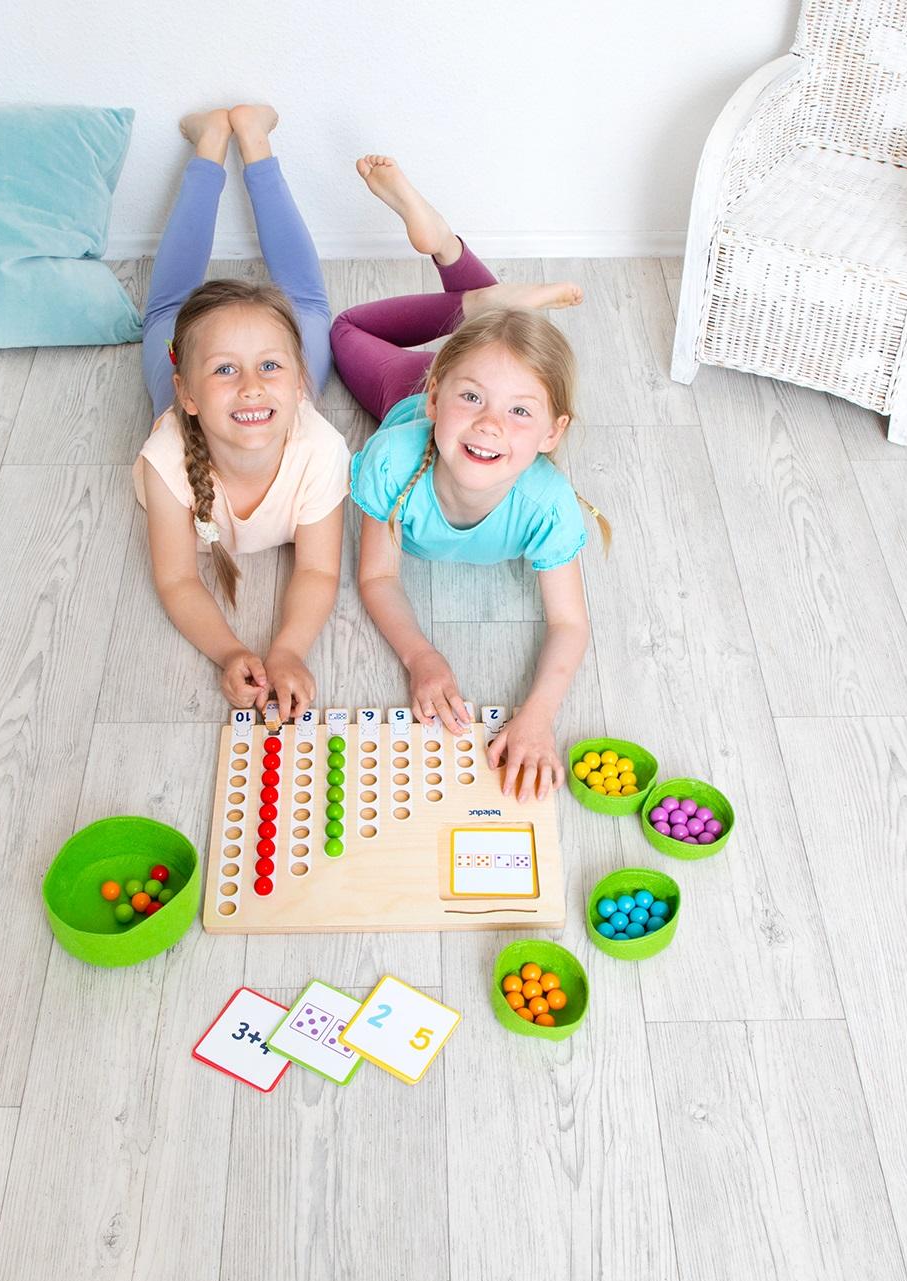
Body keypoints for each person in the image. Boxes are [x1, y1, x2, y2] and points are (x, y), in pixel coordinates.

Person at [331, 156, 607, 801]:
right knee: (343, 329)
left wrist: (537, 715)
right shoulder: (395, 457)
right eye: (472, 400)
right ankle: (473, 288)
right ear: (437, 399)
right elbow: (377, 577)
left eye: (520, 413)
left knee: (494, 346)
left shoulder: (548, 504)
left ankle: (475, 288)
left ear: (552, 434)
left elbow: (570, 624)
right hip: (407, 386)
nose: (489, 425)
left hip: (455, 370)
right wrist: (420, 658)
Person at [134, 106, 349, 720]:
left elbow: (318, 570)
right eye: (226, 370)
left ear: (299, 381)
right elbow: (178, 580)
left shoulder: (320, 449)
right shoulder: (166, 460)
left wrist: (288, 649)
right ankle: (211, 142)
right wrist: (229, 651)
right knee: (167, 313)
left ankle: (253, 140)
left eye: (270, 367)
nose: (252, 388)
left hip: (271, 394)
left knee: (306, 304)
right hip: (183, 397)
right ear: (188, 393)